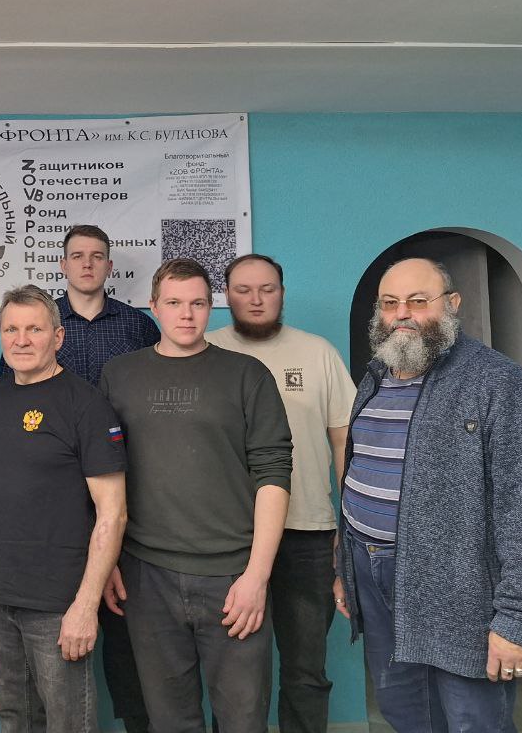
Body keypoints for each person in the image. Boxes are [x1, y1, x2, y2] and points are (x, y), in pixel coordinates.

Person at [336, 257, 522, 733]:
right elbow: (360, 471)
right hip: (372, 570)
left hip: (460, 589)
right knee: (404, 711)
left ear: (452, 303)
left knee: (472, 720)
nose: (402, 313)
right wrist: (346, 571)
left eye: (418, 300)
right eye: (390, 302)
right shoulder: (376, 376)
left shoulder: (497, 382)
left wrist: (517, 621)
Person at [99, 258, 292, 733]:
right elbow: (104, 476)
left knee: (243, 720)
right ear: (154, 307)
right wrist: (108, 562)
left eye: (198, 303)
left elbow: (273, 475)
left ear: (211, 307)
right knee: (169, 720)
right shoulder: (119, 375)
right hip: (146, 575)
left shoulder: (247, 375)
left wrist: (257, 576)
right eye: (174, 303)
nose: (186, 314)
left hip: (232, 576)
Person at [0, 224, 159, 733]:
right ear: (62, 265)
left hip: (119, 493)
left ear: (109, 265)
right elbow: (12, 435)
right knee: (29, 689)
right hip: (54, 507)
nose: (87, 264)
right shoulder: (33, 336)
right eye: (77, 256)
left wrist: (112, 540)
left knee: (126, 645)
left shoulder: (137, 327)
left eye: (97, 256)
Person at [206, 254, 355, 733]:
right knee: (235, 675)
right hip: (228, 538)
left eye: (267, 289)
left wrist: (348, 525)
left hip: (307, 534)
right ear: (225, 296)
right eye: (243, 290)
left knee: (305, 669)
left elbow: (343, 442)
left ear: (282, 293)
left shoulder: (318, 353)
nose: (256, 299)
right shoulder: (205, 350)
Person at [0, 285, 127, 733]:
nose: (21, 340)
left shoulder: (86, 405)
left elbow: (113, 513)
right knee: (14, 718)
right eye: (11, 330)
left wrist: (86, 604)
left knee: (67, 723)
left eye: (34, 330)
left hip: (58, 601)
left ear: (57, 337)